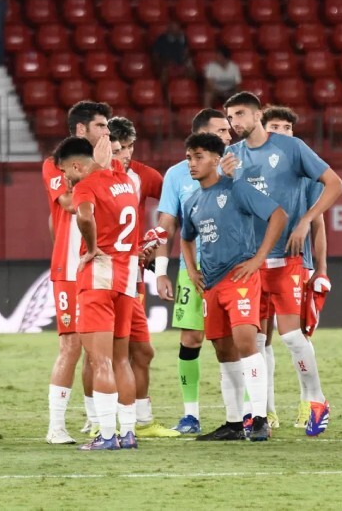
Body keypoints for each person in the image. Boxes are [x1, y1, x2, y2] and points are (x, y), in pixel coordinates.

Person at [222, 92, 342, 436]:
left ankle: (317, 400)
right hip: (249, 262)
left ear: (258, 114)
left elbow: (335, 185)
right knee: (256, 342)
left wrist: (306, 220)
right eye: (231, 118)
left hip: (287, 258)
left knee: (292, 337)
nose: (235, 123)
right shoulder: (230, 157)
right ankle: (258, 413)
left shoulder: (292, 148)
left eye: (241, 115)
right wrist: (223, 178)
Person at [181, 132, 289, 442]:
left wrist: (258, 259)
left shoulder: (237, 188)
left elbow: (278, 215)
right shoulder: (191, 201)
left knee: (245, 342)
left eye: (199, 157)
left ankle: (259, 420)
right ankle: (232, 422)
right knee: (223, 351)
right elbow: (186, 237)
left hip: (240, 276)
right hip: (212, 284)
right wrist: (191, 269)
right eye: (189, 157)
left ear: (217, 159)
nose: (192, 163)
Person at [54, 135, 140, 450]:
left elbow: (85, 215)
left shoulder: (86, 186)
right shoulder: (124, 179)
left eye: (66, 173)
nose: (66, 180)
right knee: (121, 361)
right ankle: (128, 433)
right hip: (127, 275)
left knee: (99, 359)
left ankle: (106, 436)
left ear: (77, 165)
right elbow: (108, 166)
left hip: (99, 275)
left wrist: (90, 248)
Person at [154, 109, 235, 434]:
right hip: (194, 269)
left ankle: (252, 413)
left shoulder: (236, 168)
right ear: (203, 133)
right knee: (191, 338)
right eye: (221, 131)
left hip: (232, 268)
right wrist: (162, 270)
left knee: (237, 340)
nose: (229, 136)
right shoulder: (176, 175)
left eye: (229, 131)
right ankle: (191, 414)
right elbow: (167, 225)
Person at [40, 101, 111, 444]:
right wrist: (101, 169)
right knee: (71, 346)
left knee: (96, 345)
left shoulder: (104, 168)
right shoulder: (57, 165)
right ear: (82, 129)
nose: (106, 132)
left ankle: (96, 420)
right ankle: (56, 427)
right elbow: (69, 204)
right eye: (100, 126)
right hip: (70, 268)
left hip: (98, 266)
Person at [106, 117, 181, 438]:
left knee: (139, 351)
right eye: (119, 148)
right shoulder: (95, 177)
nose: (125, 154)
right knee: (107, 352)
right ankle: (102, 418)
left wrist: (155, 244)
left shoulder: (142, 176)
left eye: (129, 147)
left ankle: (141, 419)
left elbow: (172, 205)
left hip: (132, 276)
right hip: (104, 274)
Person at [151, 21, 195, 89]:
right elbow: (155, 55)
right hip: (167, 64)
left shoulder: (183, 39)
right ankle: (162, 93)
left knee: (191, 71)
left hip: (180, 63)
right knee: (164, 72)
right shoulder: (161, 39)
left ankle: (186, 91)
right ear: (168, 29)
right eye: (171, 28)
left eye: (176, 28)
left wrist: (186, 62)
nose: (174, 30)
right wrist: (161, 62)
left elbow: (186, 53)